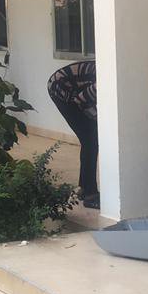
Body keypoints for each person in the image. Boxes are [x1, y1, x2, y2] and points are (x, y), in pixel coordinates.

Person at [47, 60, 99, 209]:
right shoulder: (106, 81)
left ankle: (84, 187)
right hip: (61, 89)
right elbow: (81, 100)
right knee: (91, 141)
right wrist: (99, 118)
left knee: (90, 140)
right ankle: (90, 195)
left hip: (74, 89)